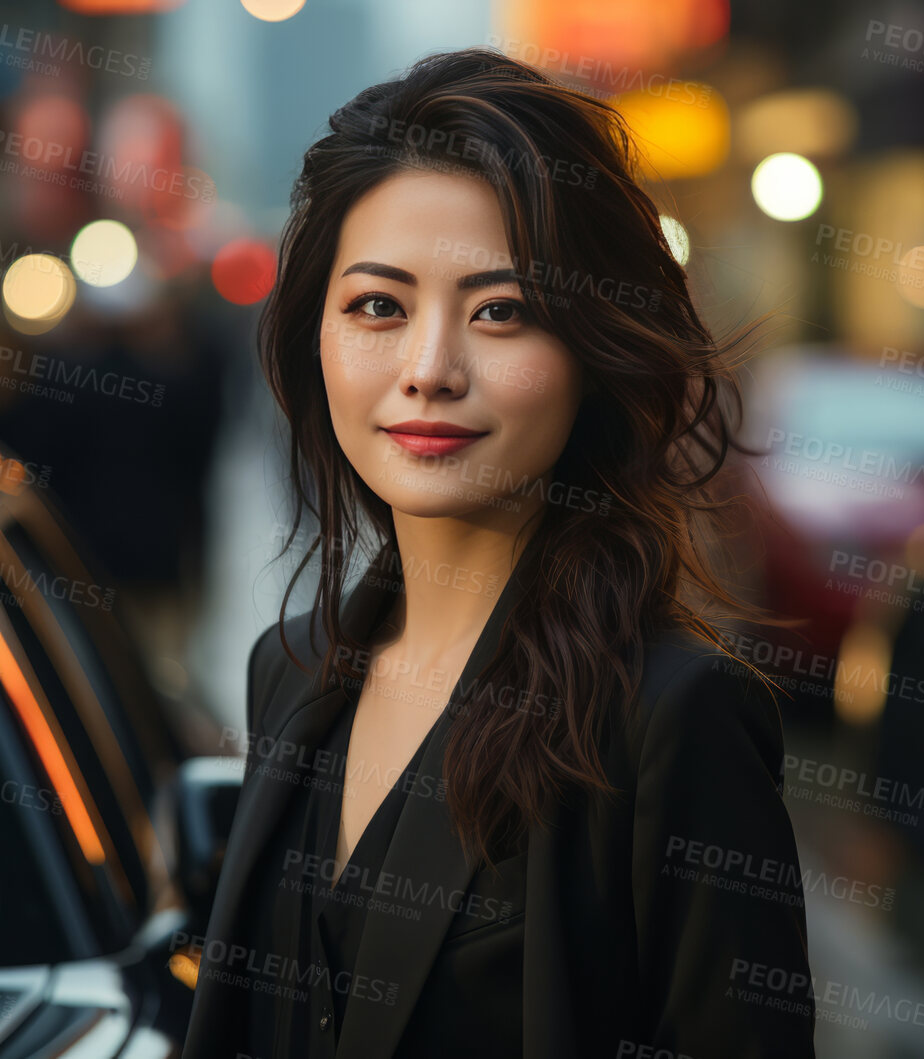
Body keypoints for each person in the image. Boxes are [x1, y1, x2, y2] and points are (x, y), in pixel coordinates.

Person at [183, 47, 814, 1059]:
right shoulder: (289, 673)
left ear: (591, 353)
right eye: (377, 307)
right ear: (316, 340)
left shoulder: (673, 720)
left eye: (500, 313)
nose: (429, 370)